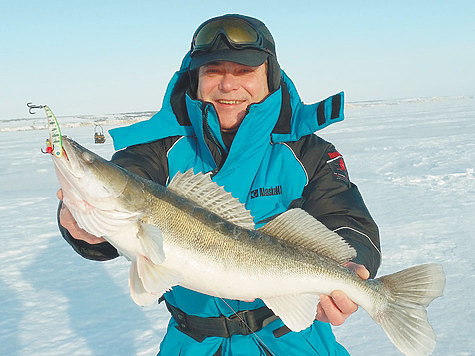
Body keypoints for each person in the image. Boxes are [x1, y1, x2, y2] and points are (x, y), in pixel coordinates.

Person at [57, 14, 381, 355]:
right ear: (195, 78)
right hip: (192, 341)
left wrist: (353, 265)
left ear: (269, 78)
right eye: (213, 71)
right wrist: (82, 226)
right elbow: (124, 183)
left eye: (244, 71)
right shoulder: (156, 149)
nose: (228, 85)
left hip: (293, 338)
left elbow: (346, 218)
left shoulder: (309, 152)